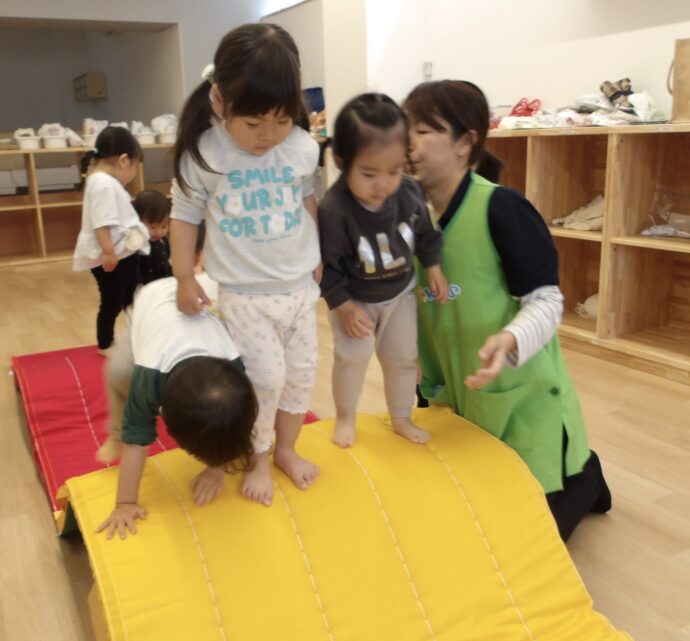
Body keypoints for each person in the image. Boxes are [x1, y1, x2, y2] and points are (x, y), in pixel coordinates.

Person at [404, 80, 611, 541]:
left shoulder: (502, 208)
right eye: (405, 130)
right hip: (451, 395)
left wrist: (510, 338)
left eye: (423, 131)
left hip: (519, 398)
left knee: (527, 541)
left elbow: (547, 301)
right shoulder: (410, 215)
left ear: (465, 143)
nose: (408, 143)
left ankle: (585, 476)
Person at [169, 23, 321, 507]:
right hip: (245, 294)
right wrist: (184, 276)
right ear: (219, 100)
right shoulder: (207, 153)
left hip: (300, 287)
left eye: (281, 120)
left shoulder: (301, 146)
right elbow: (184, 217)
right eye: (253, 124)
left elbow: (306, 199)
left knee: (301, 374)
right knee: (265, 380)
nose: (268, 136)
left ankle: (287, 449)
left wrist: (318, 254)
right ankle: (257, 457)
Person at [95, 225, 259, 540]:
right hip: (149, 306)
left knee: (228, 411)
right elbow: (137, 438)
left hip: (201, 298)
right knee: (117, 374)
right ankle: (113, 431)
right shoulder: (148, 378)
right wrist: (125, 503)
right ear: (165, 415)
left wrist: (217, 469)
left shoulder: (235, 365)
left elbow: (240, 418)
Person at [319, 93, 447, 448]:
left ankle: (401, 417)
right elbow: (327, 267)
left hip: (399, 293)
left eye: (394, 170)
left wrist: (433, 266)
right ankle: (345, 416)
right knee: (352, 358)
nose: (383, 184)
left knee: (402, 358)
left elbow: (426, 234)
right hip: (355, 300)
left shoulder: (408, 193)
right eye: (369, 173)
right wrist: (343, 306)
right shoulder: (335, 210)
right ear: (341, 161)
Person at [72, 126, 149, 354]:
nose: (133, 174)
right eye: (135, 166)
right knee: (112, 302)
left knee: (132, 299)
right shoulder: (103, 183)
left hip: (123, 253)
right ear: (124, 160)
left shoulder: (104, 182)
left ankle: (137, 338)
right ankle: (105, 344)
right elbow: (102, 222)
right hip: (114, 257)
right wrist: (108, 252)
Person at [133, 189, 173, 285]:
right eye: (153, 227)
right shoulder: (136, 244)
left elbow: (167, 259)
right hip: (145, 288)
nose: (159, 232)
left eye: (164, 226)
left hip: (164, 283)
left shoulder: (163, 240)